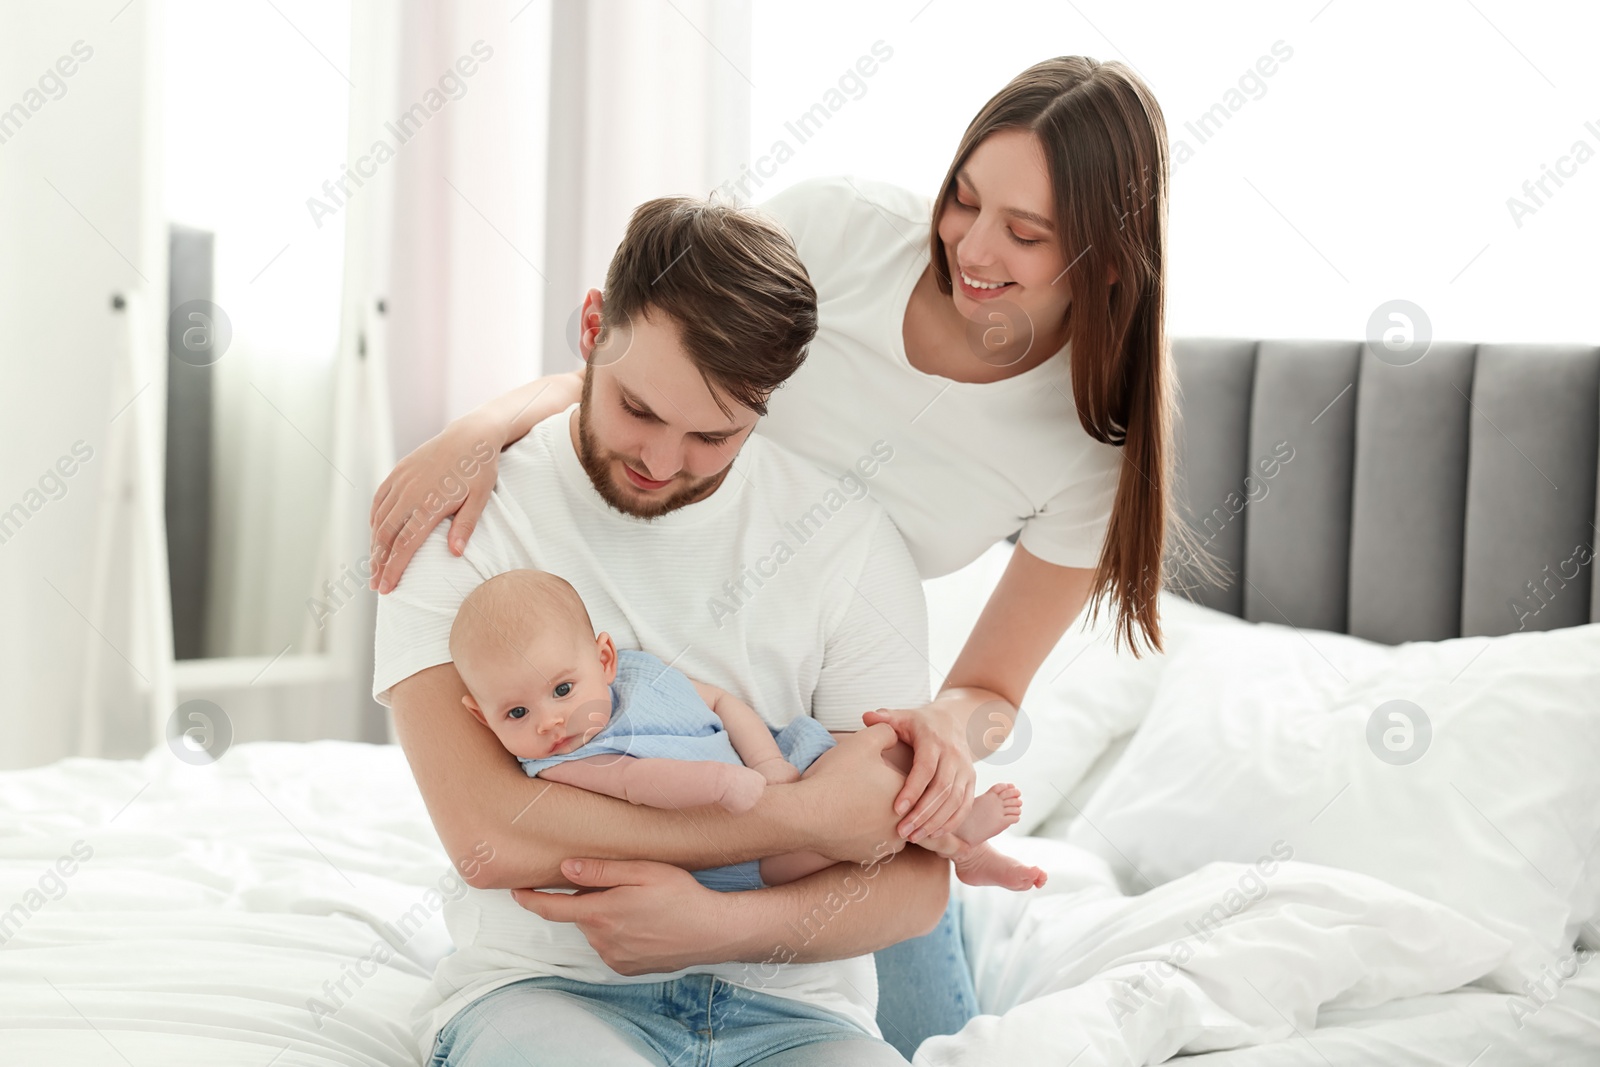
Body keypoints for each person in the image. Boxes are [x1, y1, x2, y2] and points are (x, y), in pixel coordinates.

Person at [371, 55, 1179, 1058]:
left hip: (836, 689)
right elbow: (671, 318)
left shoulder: (1084, 454)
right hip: (760, 762)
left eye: (1024, 233)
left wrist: (935, 750)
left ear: (1103, 262)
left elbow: (986, 690)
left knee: (938, 1018)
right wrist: (485, 426)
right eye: (963, 198)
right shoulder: (839, 231)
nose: (970, 246)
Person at [378, 192, 959, 1066]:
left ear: (765, 404)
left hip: (799, 1013)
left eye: (711, 435)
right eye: (637, 409)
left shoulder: (849, 542)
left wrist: (718, 923)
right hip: (543, 993)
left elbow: (911, 885)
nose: (659, 461)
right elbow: (489, 836)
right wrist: (806, 817)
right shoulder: (461, 514)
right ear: (590, 328)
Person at [451, 568, 1048, 893]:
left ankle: (964, 848)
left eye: (561, 690)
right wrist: (721, 786)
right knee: (822, 847)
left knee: (883, 750)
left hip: (777, 766)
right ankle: (958, 841)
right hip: (724, 852)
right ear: (482, 716)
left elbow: (723, 702)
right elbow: (637, 782)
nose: (550, 722)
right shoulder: (557, 762)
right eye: (516, 715)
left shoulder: (636, 673)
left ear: (604, 659)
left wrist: (766, 763)